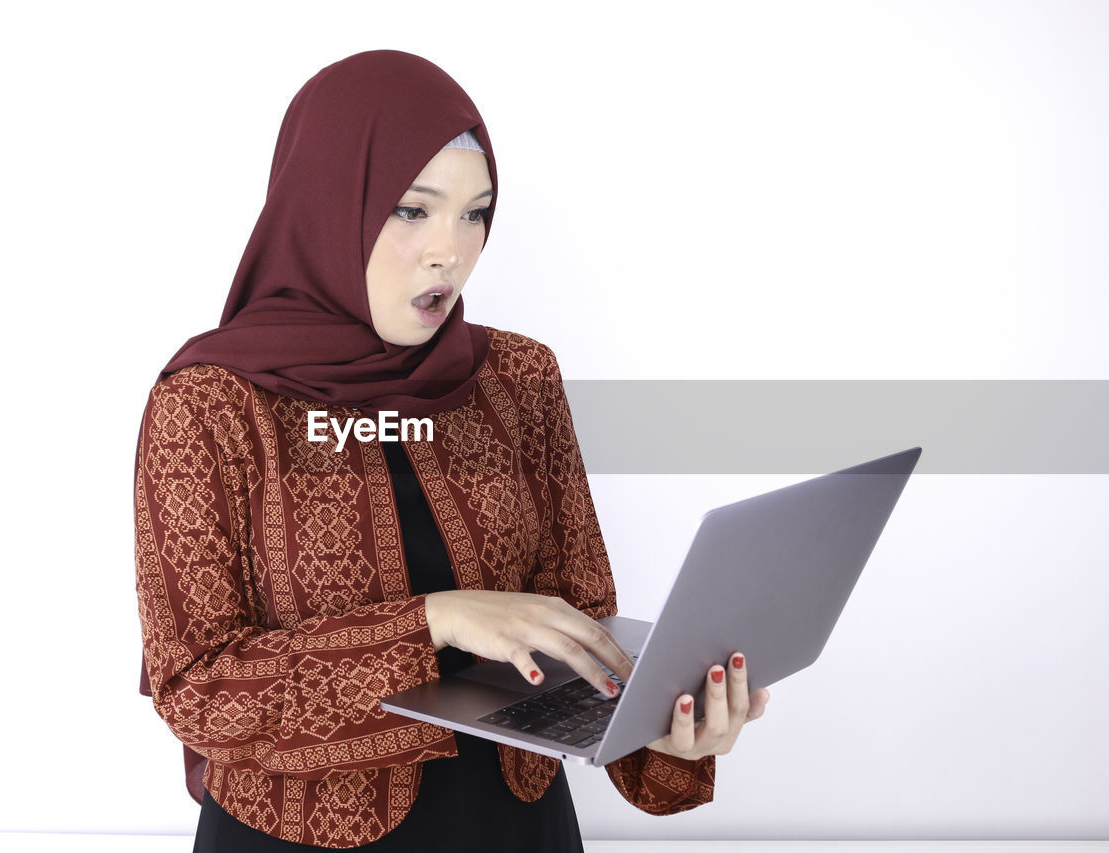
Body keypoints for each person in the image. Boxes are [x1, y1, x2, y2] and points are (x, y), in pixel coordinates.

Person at [134, 50, 771, 852]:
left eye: (476, 213)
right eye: (412, 209)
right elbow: (197, 689)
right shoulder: (211, 402)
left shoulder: (518, 377)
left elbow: (584, 627)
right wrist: (437, 618)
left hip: (514, 829)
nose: (453, 250)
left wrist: (666, 736)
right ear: (328, 205)